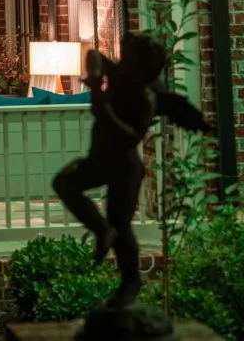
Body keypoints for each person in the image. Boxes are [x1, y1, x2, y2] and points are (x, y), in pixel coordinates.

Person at [52, 32, 211, 308]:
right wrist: (97, 73)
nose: (121, 62)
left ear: (141, 67)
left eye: (128, 59)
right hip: (100, 158)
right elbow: (94, 55)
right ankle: (101, 229)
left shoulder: (146, 98)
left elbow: (131, 138)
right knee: (64, 182)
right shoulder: (120, 76)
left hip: (123, 167)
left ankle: (130, 281)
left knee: (121, 225)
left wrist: (104, 107)